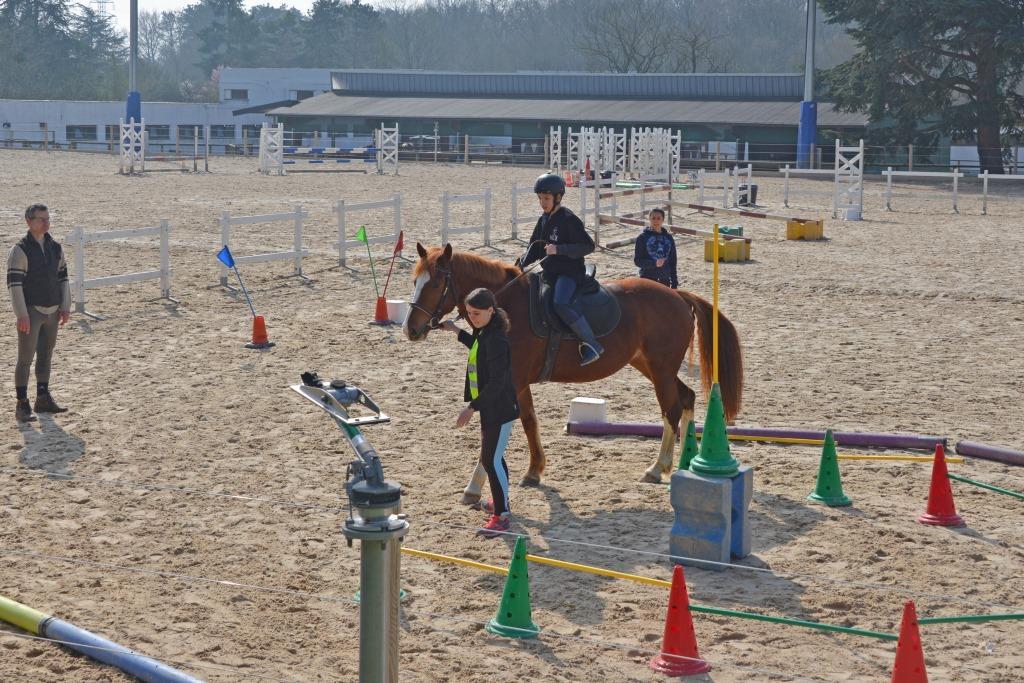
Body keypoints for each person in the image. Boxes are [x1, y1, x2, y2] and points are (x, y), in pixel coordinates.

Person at [441, 288, 519, 539]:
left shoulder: (496, 340)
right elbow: (477, 345)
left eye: (476, 313)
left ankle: (502, 516)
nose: (472, 318)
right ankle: (500, 503)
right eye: (469, 314)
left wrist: (471, 407)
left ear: (490, 311)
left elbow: (497, 382)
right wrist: (456, 331)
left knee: (490, 460)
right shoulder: (485, 332)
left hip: (499, 409)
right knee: (495, 458)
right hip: (492, 407)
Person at [518, 172, 603, 366]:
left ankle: (592, 343)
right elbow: (535, 246)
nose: (542, 203)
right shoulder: (543, 219)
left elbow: (588, 246)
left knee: (560, 303)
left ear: (558, 197)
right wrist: (521, 263)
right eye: (540, 198)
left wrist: (560, 249)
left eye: (546, 198)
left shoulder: (569, 219)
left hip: (570, 273)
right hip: (549, 271)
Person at [7, 204, 71, 423]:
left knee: (46, 355)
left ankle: (42, 398)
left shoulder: (55, 247)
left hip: (53, 311)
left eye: (47, 218)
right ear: (28, 221)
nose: (46, 222)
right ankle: (22, 405)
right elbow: (14, 285)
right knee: (25, 359)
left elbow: (63, 278)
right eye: (40, 219)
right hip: (31, 312)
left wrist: (65, 306)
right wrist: (21, 314)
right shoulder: (20, 250)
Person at [633, 208, 678, 289]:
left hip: (665, 280)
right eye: (653, 218)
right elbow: (637, 261)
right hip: (648, 279)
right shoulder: (642, 238)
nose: (656, 221)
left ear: (663, 220)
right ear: (649, 219)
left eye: (658, 218)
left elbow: (673, 261)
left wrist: (674, 283)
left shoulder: (669, 237)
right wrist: (654, 263)